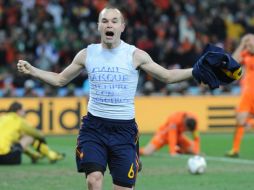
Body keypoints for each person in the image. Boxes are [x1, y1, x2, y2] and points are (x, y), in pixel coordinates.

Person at [17, 5, 205, 190]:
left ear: (122, 26)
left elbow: (167, 76)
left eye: (115, 21)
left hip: (124, 131)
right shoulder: (87, 54)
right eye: (105, 21)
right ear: (99, 26)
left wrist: (196, 71)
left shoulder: (135, 55)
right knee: (93, 179)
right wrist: (33, 70)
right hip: (94, 127)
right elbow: (59, 80)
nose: (110, 25)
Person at [0, 101, 65, 165]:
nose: (24, 112)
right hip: (9, 158)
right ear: (18, 111)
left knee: (18, 139)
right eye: (23, 111)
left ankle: (34, 156)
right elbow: (36, 134)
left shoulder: (2, 118)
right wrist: (42, 137)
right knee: (29, 136)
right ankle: (51, 155)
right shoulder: (18, 120)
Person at [226, 34, 254, 158]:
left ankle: (251, 123)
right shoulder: (246, 54)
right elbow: (233, 62)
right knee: (240, 120)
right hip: (248, 94)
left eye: (249, 42)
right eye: (247, 43)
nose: (248, 45)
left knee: (243, 121)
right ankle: (235, 149)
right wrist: (242, 44)